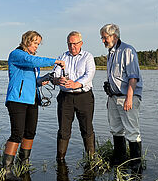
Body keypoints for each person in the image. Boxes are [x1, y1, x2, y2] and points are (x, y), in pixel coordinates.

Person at [3, 30, 65, 181]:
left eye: (38, 43)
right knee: (17, 133)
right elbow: (32, 61)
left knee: (30, 133)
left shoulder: (30, 59)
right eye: (35, 43)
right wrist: (56, 61)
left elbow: (33, 80)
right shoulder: (17, 54)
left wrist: (44, 79)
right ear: (27, 41)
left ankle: (24, 163)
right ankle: (6, 170)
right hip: (17, 100)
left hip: (32, 100)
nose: (37, 46)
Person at [100, 24, 143, 168]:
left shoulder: (127, 51)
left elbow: (133, 77)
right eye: (102, 38)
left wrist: (129, 98)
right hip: (113, 97)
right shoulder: (111, 53)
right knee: (116, 128)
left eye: (105, 38)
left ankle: (136, 163)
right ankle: (120, 159)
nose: (103, 41)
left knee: (132, 130)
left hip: (127, 97)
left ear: (114, 36)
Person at [53, 31, 96, 162]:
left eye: (75, 44)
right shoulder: (62, 57)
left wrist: (76, 84)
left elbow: (89, 74)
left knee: (87, 129)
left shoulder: (88, 57)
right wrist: (57, 80)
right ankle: (60, 160)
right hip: (65, 98)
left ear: (81, 43)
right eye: (70, 44)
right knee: (63, 130)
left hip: (84, 97)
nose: (72, 47)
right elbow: (55, 74)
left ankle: (91, 159)